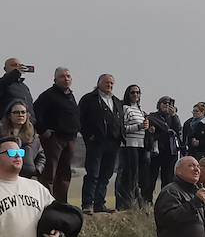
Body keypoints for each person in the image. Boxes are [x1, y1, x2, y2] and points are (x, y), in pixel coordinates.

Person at [33, 67, 81, 204]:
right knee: (49, 172)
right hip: (54, 139)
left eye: (68, 76)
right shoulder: (48, 95)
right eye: (62, 76)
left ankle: (62, 203)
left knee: (65, 173)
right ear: (55, 79)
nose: (66, 78)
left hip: (70, 138)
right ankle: (47, 203)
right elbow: (35, 113)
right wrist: (43, 131)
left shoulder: (70, 95)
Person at [78, 74, 124, 214]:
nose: (109, 85)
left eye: (111, 83)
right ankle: (87, 204)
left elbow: (120, 120)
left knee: (106, 174)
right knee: (93, 173)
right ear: (99, 83)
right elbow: (80, 119)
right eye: (106, 83)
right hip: (96, 142)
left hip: (113, 143)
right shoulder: (88, 99)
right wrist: (89, 136)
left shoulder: (116, 101)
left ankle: (99, 203)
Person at [0, 99, 44, 179]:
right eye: (16, 112)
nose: (20, 115)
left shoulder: (33, 135)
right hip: (3, 179)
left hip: (26, 179)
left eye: (23, 112)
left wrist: (36, 170)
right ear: (9, 115)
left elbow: (41, 156)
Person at [116, 84, 149, 210]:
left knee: (137, 176)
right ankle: (124, 203)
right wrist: (139, 127)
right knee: (128, 175)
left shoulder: (140, 110)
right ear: (128, 94)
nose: (135, 95)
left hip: (140, 145)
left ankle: (135, 202)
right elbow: (122, 128)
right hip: (129, 145)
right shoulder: (125, 108)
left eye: (138, 92)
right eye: (132, 92)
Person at [144, 96, 182, 203]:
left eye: (169, 104)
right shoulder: (153, 116)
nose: (166, 105)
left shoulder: (173, 117)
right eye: (164, 103)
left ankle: (165, 202)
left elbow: (178, 129)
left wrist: (174, 116)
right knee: (151, 178)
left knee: (168, 179)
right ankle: (148, 201)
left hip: (170, 152)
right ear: (159, 104)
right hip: (156, 152)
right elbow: (159, 127)